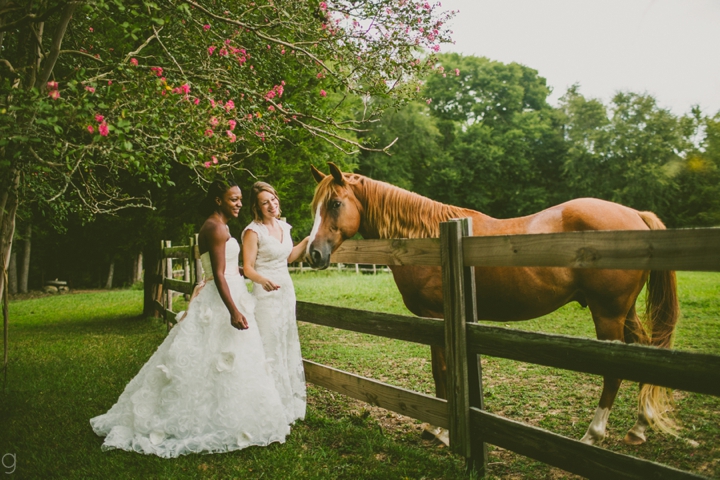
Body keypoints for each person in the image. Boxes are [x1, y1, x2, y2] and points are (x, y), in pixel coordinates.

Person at [90, 179, 292, 458]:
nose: (239, 204)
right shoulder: (215, 227)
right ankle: (206, 417)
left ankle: (229, 411)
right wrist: (233, 310)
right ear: (218, 200)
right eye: (233, 199)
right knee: (215, 356)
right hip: (223, 299)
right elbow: (219, 275)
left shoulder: (218, 224)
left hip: (228, 292)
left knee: (226, 359)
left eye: (241, 199)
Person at [242, 182, 308, 425]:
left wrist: (308, 240)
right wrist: (263, 280)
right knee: (269, 344)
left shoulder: (284, 227)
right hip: (265, 292)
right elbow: (248, 267)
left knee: (286, 341)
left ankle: (286, 403)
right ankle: (267, 405)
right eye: (265, 202)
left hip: (285, 292)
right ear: (257, 207)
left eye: (273, 199)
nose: (272, 205)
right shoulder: (252, 231)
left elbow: (288, 256)